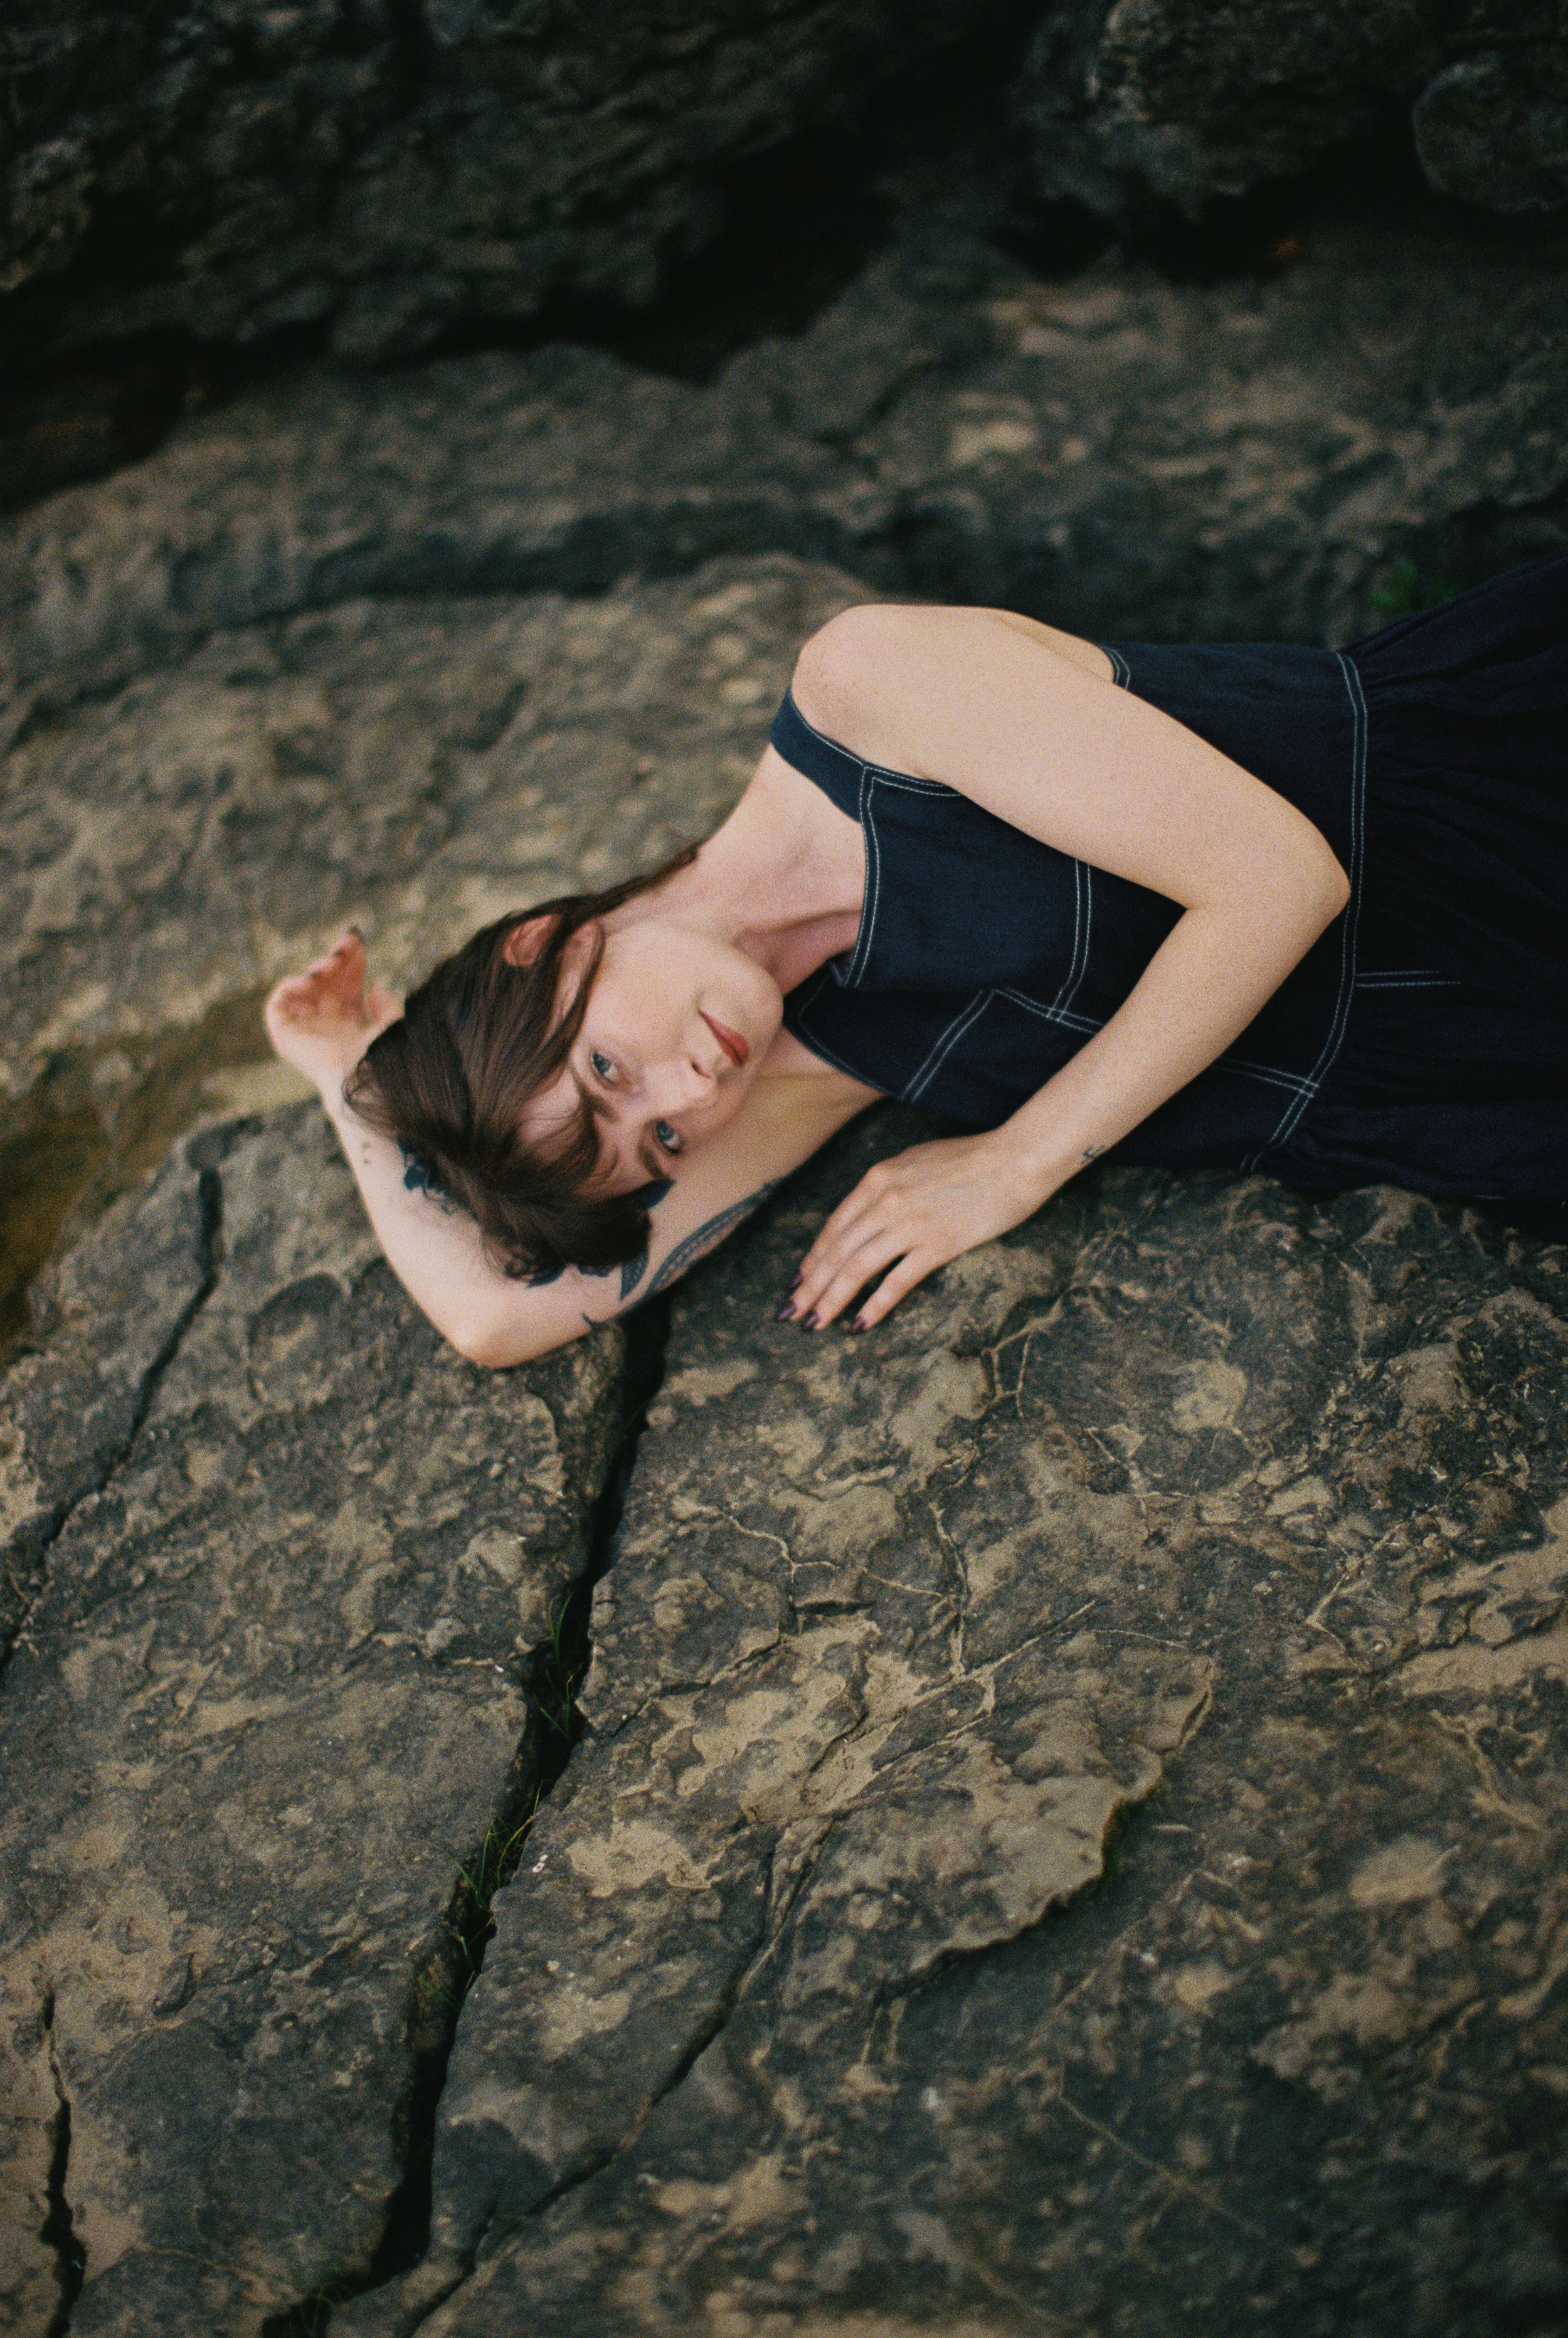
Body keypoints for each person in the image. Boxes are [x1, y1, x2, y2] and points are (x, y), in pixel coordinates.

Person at [265, 551, 1568, 1367]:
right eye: (657, 1142)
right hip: (1464, 1068)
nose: (683, 1099)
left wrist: (1015, 1160)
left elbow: (1279, 881)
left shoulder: (869, 693)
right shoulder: (798, 1054)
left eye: (606, 1067)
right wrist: (347, 1081)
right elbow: (500, 1319)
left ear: (546, 946)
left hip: (1485, 825)